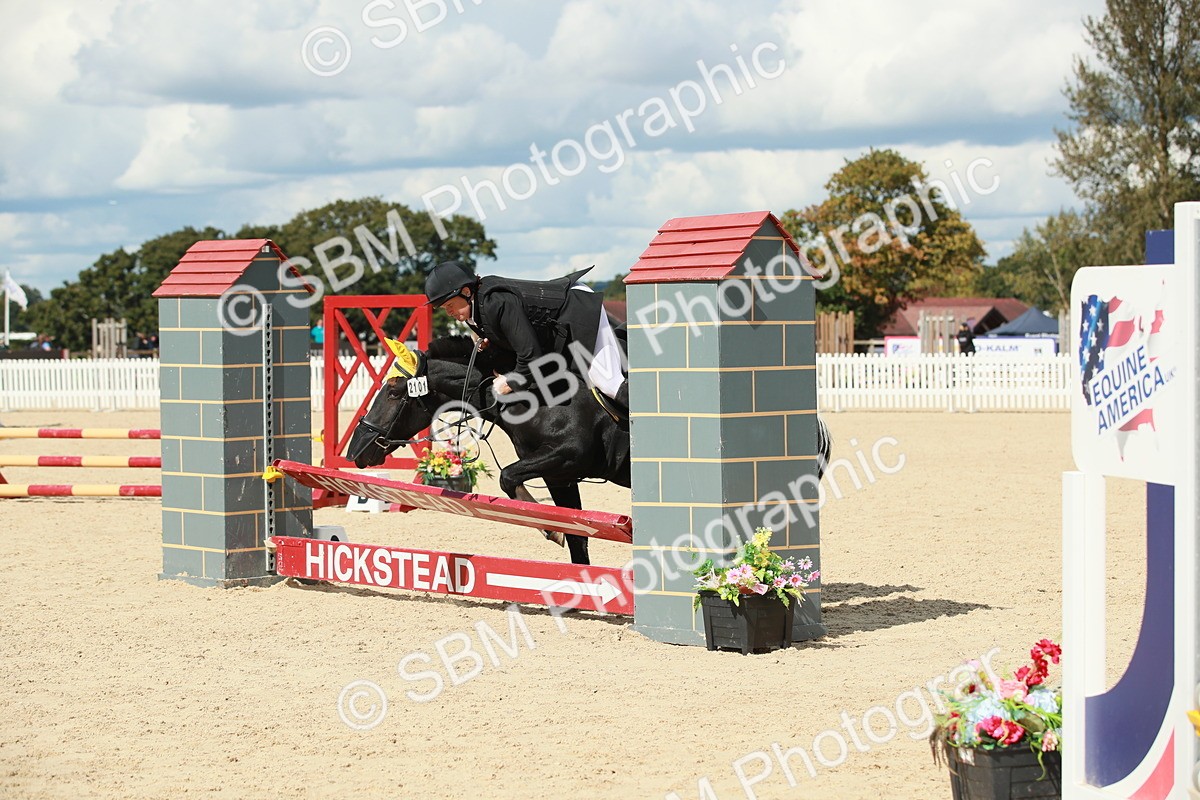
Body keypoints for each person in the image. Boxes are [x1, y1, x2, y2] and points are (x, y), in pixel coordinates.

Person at [424, 260, 628, 419]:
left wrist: (511, 381)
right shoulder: (471, 313)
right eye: (444, 308)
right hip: (556, 329)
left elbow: (530, 355)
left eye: (449, 305)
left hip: (578, 308)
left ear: (466, 292)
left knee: (607, 382)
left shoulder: (497, 303)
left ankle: (654, 422)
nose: (448, 312)